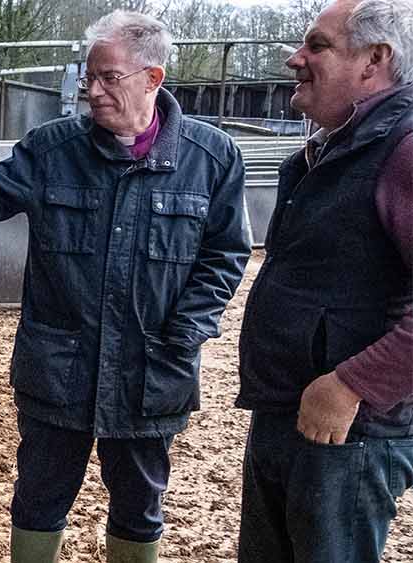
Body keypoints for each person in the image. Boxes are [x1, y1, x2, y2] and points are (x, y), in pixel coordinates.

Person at [0, 10, 250, 563]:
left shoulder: (211, 158)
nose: (93, 90)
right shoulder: (54, 149)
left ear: (153, 78)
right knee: (39, 498)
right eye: (90, 76)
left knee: (139, 504)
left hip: (151, 369)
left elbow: (226, 254)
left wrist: (187, 329)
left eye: (110, 78)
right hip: (60, 367)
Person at [235, 0, 413, 560]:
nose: (295, 59)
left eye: (317, 46)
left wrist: (353, 384)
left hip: (348, 431)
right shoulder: (328, 151)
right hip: (290, 413)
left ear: (374, 59)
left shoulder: (403, 149)